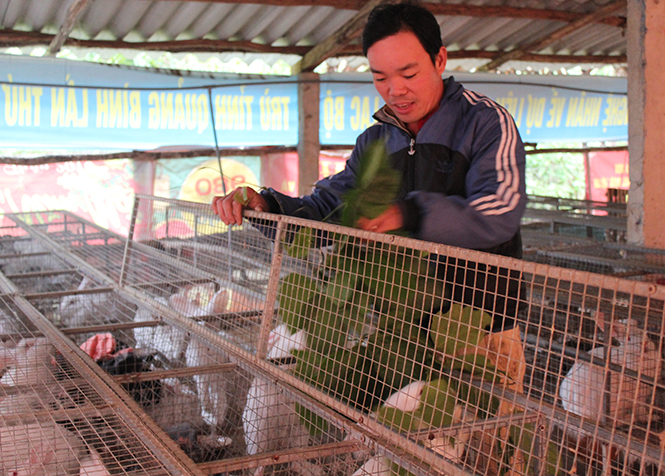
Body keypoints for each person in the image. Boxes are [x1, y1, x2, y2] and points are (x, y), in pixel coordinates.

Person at [212, 0, 526, 397]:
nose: (395, 90)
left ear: (440, 59)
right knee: (400, 449)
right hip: (395, 334)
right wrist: (268, 207)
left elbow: (499, 211)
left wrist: (409, 212)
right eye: (380, 77)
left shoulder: (484, 123)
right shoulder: (375, 141)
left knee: (483, 452)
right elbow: (329, 207)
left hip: (478, 331)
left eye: (408, 73)